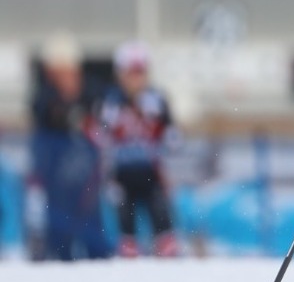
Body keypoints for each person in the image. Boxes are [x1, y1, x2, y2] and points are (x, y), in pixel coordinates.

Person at [29, 34, 111, 261]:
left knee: (91, 218)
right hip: (56, 174)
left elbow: (102, 120)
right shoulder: (44, 96)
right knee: (57, 221)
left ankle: (98, 256)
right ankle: (57, 255)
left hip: (86, 173)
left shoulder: (93, 91)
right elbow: (49, 116)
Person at [96, 41, 181, 257]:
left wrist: (168, 138)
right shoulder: (110, 102)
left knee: (159, 207)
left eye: (140, 73)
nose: (136, 79)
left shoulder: (156, 100)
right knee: (124, 211)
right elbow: (100, 137)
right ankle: (128, 247)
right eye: (131, 73)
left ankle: (165, 244)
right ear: (121, 74)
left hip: (150, 170)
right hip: (122, 172)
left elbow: (172, 136)